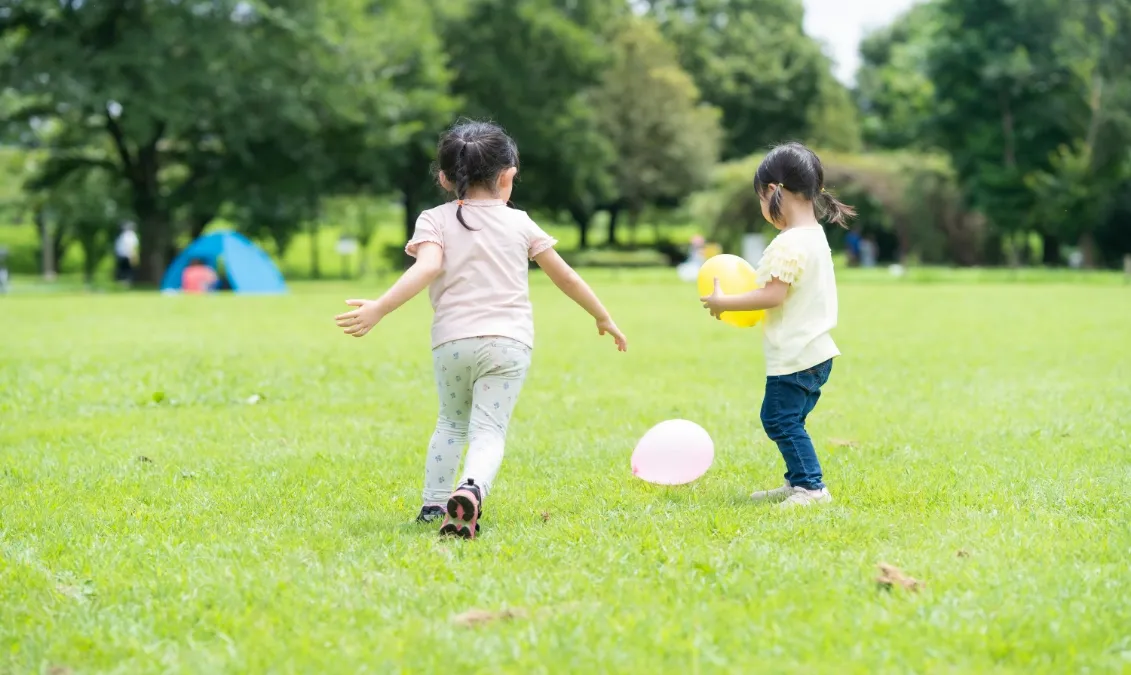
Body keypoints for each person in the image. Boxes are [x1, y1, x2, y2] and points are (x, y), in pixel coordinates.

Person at [334, 119, 627, 539]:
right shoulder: (521, 222)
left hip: (452, 343)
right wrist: (602, 316)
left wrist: (380, 307)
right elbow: (566, 278)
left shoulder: (434, 219)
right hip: (508, 344)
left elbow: (428, 266)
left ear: (444, 177)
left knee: (451, 423)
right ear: (507, 176)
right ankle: (471, 489)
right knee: (488, 430)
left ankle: (434, 504)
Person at [699, 142, 855, 507]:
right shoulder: (815, 237)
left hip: (796, 353)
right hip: (816, 351)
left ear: (773, 191)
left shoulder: (788, 244)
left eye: (760, 198)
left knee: (779, 420)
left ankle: (812, 488)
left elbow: (772, 296)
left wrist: (725, 303)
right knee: (789, 419)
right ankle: (796, 481)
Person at [114, 222, 139, 286]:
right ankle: (125, 283)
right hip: (127, 255)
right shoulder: (131, 235)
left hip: (123, 255)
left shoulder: (122, 235)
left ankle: (124, 283)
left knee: (124, 270)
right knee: (127, 270)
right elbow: (132, 246)